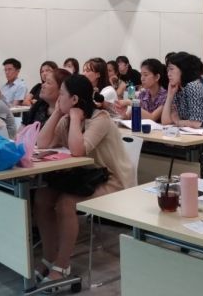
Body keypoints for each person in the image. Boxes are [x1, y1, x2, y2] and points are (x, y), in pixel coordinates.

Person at [34, 74, 134, 282]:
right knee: (42, 198)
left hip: (111, 179)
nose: (59, 98)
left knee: (66, 203)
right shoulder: (66, 119)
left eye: (62, 94)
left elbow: (78, 150)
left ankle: (62, 266)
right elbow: (42, 143)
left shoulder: (100, 119)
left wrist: (75, 118)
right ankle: (49, 257)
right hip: (85, 177)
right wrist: (58, 113)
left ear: (74, 99)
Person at [161, 52, 203, 179]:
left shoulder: (194, 87)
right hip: (197, 147)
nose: (168, 73)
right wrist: (169, 95)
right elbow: (166, 121)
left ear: (183, 69)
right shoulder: (178, 89)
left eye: (171, 69)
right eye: (167, 70)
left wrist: (178, 122)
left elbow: (196, 122)